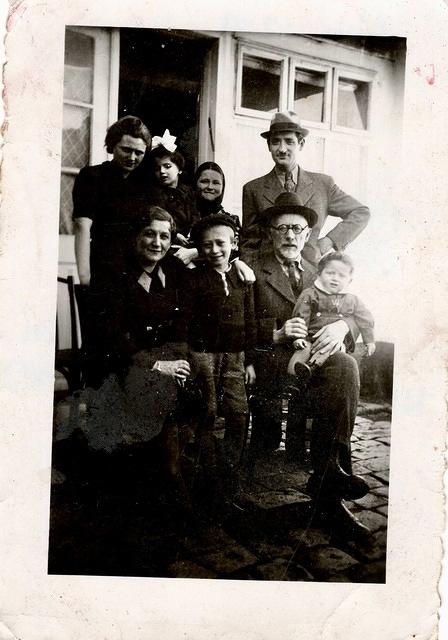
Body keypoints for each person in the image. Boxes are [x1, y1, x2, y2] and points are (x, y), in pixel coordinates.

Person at [249, 191, 371, 540]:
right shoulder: (253, 269)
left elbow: (352, 307)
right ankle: (330, 487)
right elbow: (237, 327)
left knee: (345, 367)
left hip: (315, 360)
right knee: (339, 375)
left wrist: (345, 326)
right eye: (282, 228)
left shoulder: (324, 271)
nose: (290, 236)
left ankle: (331, 483)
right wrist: (276, 333)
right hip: (273, 361)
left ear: (307, 236)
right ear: (271, 233)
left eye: (298, 229)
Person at [85, 206, 196, 514]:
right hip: (120, 360)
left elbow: (182, 321)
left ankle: (171, 473)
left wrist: (177, 358)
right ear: (135, 236)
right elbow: (112, 334)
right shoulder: (114, 273)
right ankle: (162, 483)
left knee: (192, 388)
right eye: (149, 234)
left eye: (164, 236)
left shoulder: (172, 272)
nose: (157, 243)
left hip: (165, 358)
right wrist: (154, 364)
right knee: (155, 389)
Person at [186, 214, 257, 499]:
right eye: (206, 245)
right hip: (203, 355)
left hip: (236, 356)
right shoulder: (194, 278)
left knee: (239, 413)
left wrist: (250, 360)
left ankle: (230, 470)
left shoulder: (242, 278)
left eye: (220, 243)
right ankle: (208, 472)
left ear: (233, 243)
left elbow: (250, 319)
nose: (214, 250)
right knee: (208, 411)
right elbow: (187, 320)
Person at [241, 110, 370, 265]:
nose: (282, 149)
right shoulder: (254, 189)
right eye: (275, 142)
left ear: (301, 144)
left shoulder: (323, 184)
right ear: (268, 145)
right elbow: (249, 243)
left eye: (289, 141)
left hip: (310, 272)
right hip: (269, 277)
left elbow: (360, 212)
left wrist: (329, 241)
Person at [72, 115, 152, 288]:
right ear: (112, 146)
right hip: (103, 267)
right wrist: (85, 278)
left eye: (139, 153)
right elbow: (82, 226)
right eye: (126, 149)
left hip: (137, 270)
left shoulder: (143, 185)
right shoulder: (92, 177)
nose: (132, 157)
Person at [287, 252, 375, 381]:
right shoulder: (311, 294)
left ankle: (310, 368)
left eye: (341, 275)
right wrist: (299, 337)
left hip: (336, 342)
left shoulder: (352, 299)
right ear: (319, 274)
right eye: (330, 273)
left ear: (349, 280)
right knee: (300, 353)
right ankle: (290, 383)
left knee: (334, 353)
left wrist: (369, 341)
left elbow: (365, 319)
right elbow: (301, 315)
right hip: (311, 338)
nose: (335, 278)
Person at [148, 129, 199, 262]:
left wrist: (191, 233)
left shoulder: (188, 192)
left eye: (167, 166)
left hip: (188, 244)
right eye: (157, 168)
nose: (162, 171)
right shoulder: (155, 194)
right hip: (165, 244)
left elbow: (194, 214)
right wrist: (175, 235)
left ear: (179, 169)